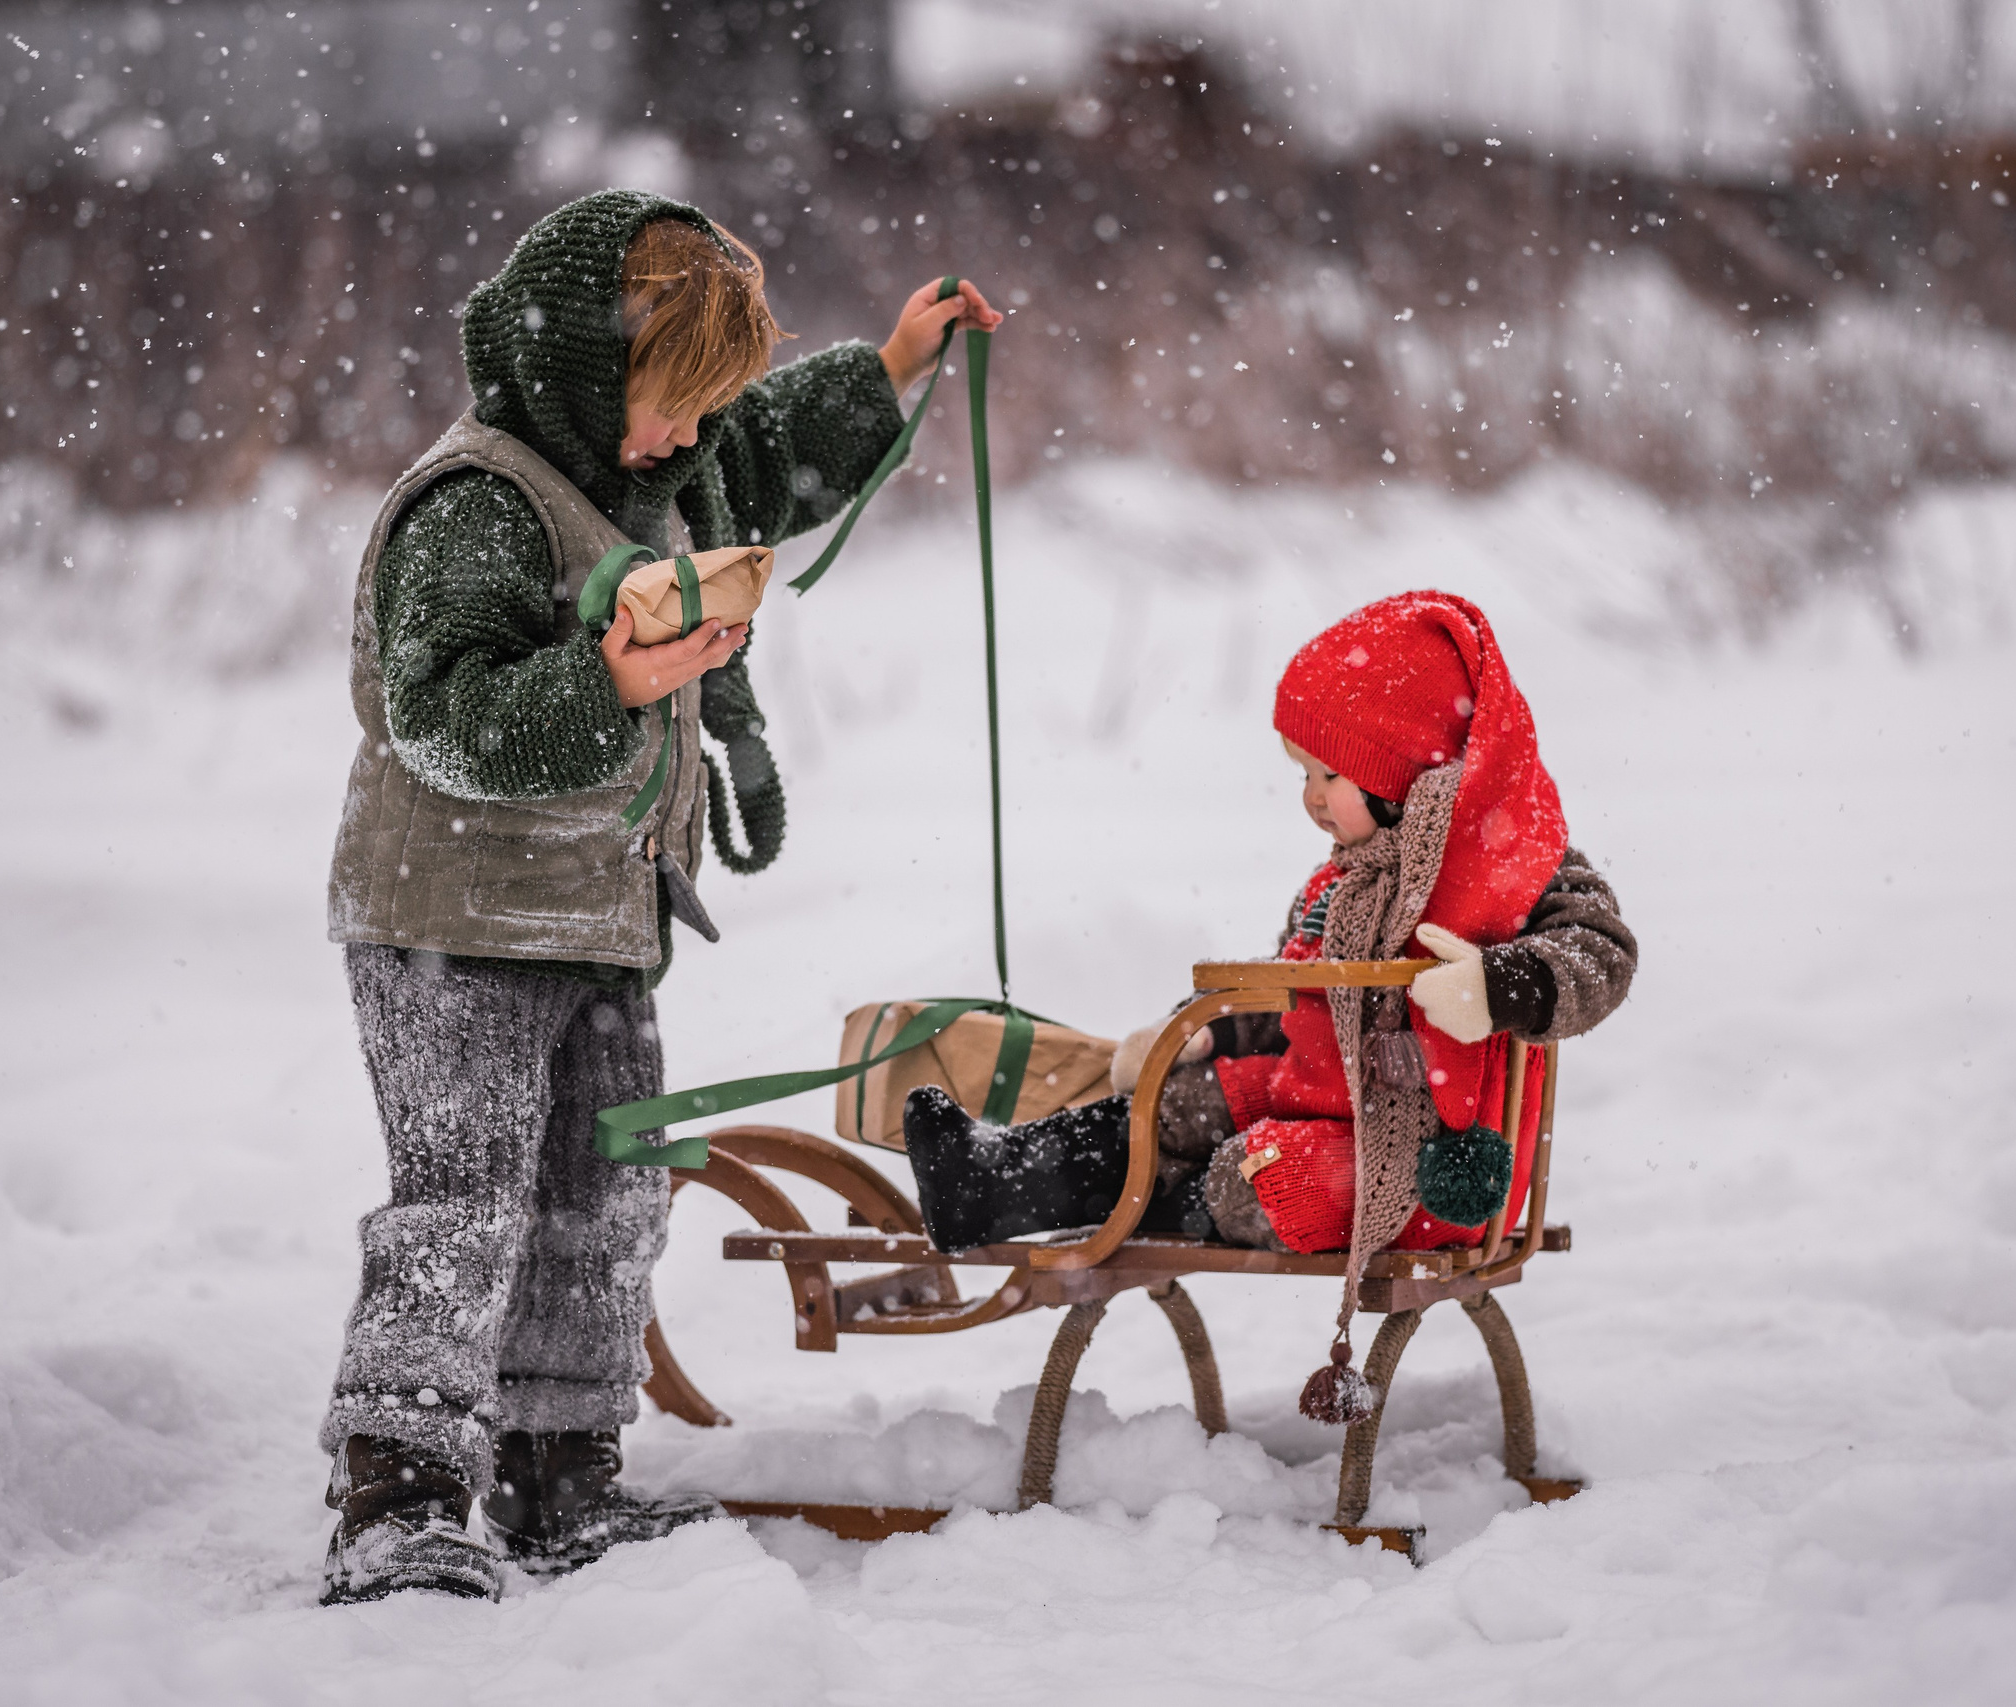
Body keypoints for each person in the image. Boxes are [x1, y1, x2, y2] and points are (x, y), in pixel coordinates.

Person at [318, 189, 1001, 1604]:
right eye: (669, 405)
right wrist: (615, 681)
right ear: (580, 377)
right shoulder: (482, 502)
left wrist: (889, 365)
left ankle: (560, 1469)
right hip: (455, 929)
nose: (693, 437)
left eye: (703, 410)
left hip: (599, 923)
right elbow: (442, 717)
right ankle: (396, 1489)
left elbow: (764, 442)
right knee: (467, 1204)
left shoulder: (656, 466)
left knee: (605, 1195)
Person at [900, 592, 1636, 1415]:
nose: (1313, 799)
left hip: (1426, 1163)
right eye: (1305, 777)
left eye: (1331, 775)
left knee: (1256, 1176)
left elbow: (1602, 949)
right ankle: (990, 1181)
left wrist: (1502, 987)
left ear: (1402, 774)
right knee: (1171, 1106)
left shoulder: (1520, 860)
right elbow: (1290, 992)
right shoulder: (1339, 885)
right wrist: (1203, 1031)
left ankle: (1175, 1207)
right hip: (1313, 1097)